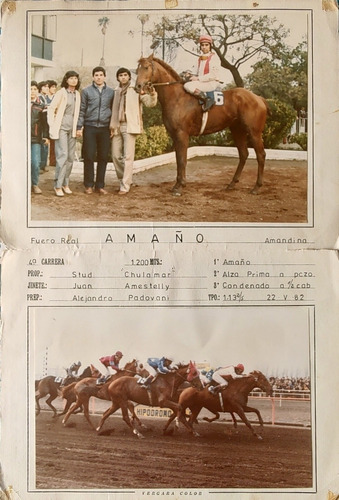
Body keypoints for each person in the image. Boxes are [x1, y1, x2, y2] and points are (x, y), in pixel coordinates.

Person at [110, 67, 157, 195]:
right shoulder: (116, 91)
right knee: (115, 155)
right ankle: (125, 180)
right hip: (116, 125)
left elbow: (149, 103)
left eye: (125, 75)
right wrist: (112, 126)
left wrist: (152, 94)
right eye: (120, 75)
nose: (123, 77)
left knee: (128, 157)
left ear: (129, 77)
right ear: (118, 78)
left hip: (130, 125)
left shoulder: (136, 90)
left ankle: (125, 186)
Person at [77, 66, 114, 195]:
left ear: (105, 76)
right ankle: (88, 185)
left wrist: (112, 127)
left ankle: (100, 185)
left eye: (101, 75)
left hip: (104, 128)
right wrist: (79, 127)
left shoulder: (111, 92)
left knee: (103, 157)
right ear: (93, 77)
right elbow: (82, 110)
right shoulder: (86, 91)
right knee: (89, 156)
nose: (99, 77)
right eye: (96, 75)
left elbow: (113, 110)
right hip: (90, 127)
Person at [47, 70, 81, 196]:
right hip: (61, 128)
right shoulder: (61, 93)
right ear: (66, 80)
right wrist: (52, 124)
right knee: (63, 155)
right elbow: (51, 108)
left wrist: (78, 128)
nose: (73, 80)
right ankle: (58, 185)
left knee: (71, 157)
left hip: (71, 129)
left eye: (75, 78)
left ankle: (66, 184)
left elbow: (78, 112)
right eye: (71, 78)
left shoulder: (77, 94)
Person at [183, 34, 222, 112]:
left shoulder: (215, 58)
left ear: (210, 46)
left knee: (187, 85)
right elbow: (194, 70)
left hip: (211, 83)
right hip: (202, 82)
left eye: (206, 45)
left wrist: (197, 78)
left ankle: (207, 99)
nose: (204, 47)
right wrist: (188, 74)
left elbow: (213, 75)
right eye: (202, 45)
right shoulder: (200, 59)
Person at [30, 81, 49, 194]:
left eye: (34, 89)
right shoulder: (20, 103)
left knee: (35, 162)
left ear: (38, 91)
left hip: (35, 138)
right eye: (30, 89)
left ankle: (35, 184)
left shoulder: (42, 105)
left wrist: (45, 137)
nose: (32, 91)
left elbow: (45, 123)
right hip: (21, 139)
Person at [38, 81, 51, 172]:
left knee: (46, 144)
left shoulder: (45, 98)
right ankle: (40, 165)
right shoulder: (39, 98)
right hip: (41, 123)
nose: (47, 88)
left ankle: (43, 165)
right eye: (45, 87)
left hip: (46, 122)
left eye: (47, 87)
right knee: (42, 144)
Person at [47, 80, 58, 167]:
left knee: (54, 141)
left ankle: (53, 160)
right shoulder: (44, 97)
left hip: (54, 120)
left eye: (55, 87)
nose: (54, 89)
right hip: (44, 120)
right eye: (52, 87)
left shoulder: (56, 97)